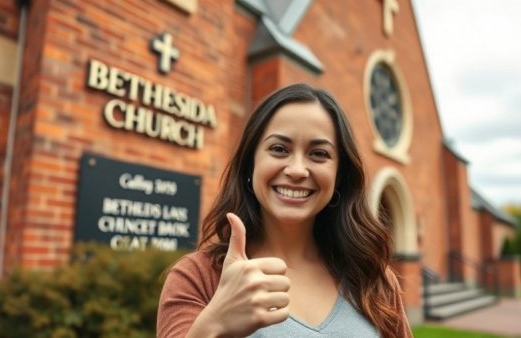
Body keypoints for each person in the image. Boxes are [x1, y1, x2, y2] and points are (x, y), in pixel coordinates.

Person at [157, 83, 413, 338]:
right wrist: (213, 325)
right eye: (279, 149)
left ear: (339, 175)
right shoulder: (197, 277)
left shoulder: (372, 278)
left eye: (318, 153)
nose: (297, 170)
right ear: (251, 163)